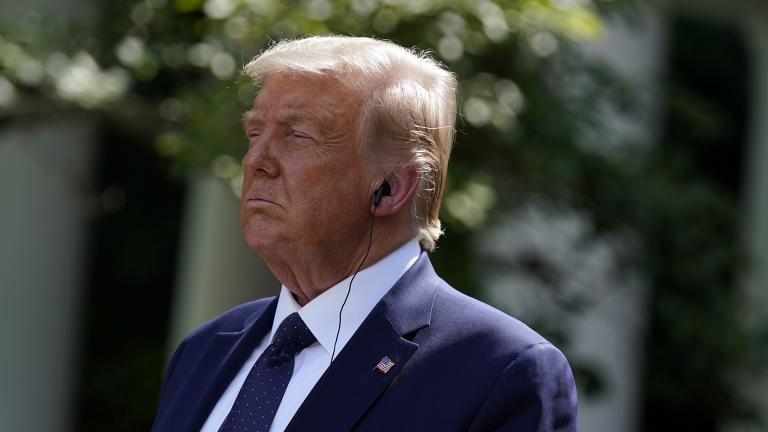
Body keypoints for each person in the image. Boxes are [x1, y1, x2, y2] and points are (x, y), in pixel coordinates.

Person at [151, 35, 578, 432]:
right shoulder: (206, 348)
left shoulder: (500, 371)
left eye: (297, 135)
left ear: (390, 188)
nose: (255, 161)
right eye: (254, 132)